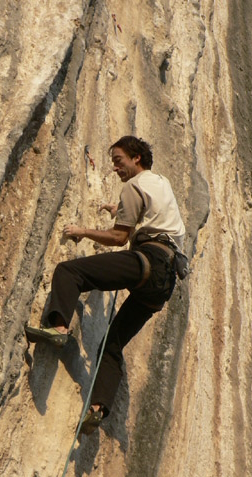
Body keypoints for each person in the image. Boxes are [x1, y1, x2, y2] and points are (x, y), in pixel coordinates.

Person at [25, 136, 186, 434]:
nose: (115, 168)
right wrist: (120, 212)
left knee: (69, 272)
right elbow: (153, 219)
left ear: (136, 158)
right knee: (111, 344)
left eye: (118, 160)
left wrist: (83, 231)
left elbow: (118, 238)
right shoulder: (160, 182)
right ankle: (98, 410)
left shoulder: (133, 186)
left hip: (147, 262)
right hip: (165, 283)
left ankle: (58, 328)